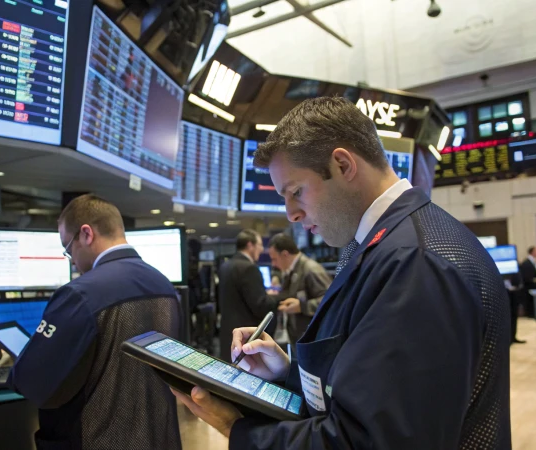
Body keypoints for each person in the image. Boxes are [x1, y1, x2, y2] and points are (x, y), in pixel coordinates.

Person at [173, 96, 511, 449]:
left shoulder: (416, 263)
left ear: (343, 164)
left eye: (296, 192)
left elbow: (376, 440)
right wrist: (287, 372)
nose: (291, 214)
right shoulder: (384, 243)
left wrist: (237, 428)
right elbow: (368, 384)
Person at [9, 194, 182, 450]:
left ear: (86, 234)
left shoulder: (80, 293)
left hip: (94, 440)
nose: (74, 262)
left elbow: (35, 385)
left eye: (68, 249)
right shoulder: (164, 285)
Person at [218, 229, 278, 361]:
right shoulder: (249, 268)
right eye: (260, 245)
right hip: (246, 338)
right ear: (250, 245)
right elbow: (260, 305)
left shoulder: (226, 265)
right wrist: (276, 298)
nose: (262, 249)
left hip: (228, 333)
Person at [267, 233, 331, 351]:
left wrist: (302, 306)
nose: (273, 264)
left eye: (274, 259)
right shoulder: (291, 270)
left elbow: (331, 301)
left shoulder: (311, 270)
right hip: (299, 339)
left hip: (313, 341)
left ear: (285, 254)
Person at [519, 246, 536, 318]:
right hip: (528, 288)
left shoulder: (531, 261)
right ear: (532, 252)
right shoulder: (527, 263)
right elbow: (527, 277)